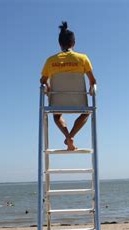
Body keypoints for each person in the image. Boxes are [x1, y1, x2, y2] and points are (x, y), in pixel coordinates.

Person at [40, 21, 97, 151]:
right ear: (74, 43)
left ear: (60, 44)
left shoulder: (51, 61)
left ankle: (67, 135)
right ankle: (70, 136)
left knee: (56, 115)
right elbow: (93, 80)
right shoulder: (82, 58)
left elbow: (42, 80)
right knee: (86, 112)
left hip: (57, 101)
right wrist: (91, 88)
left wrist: (47, 87)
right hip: (79, 101)